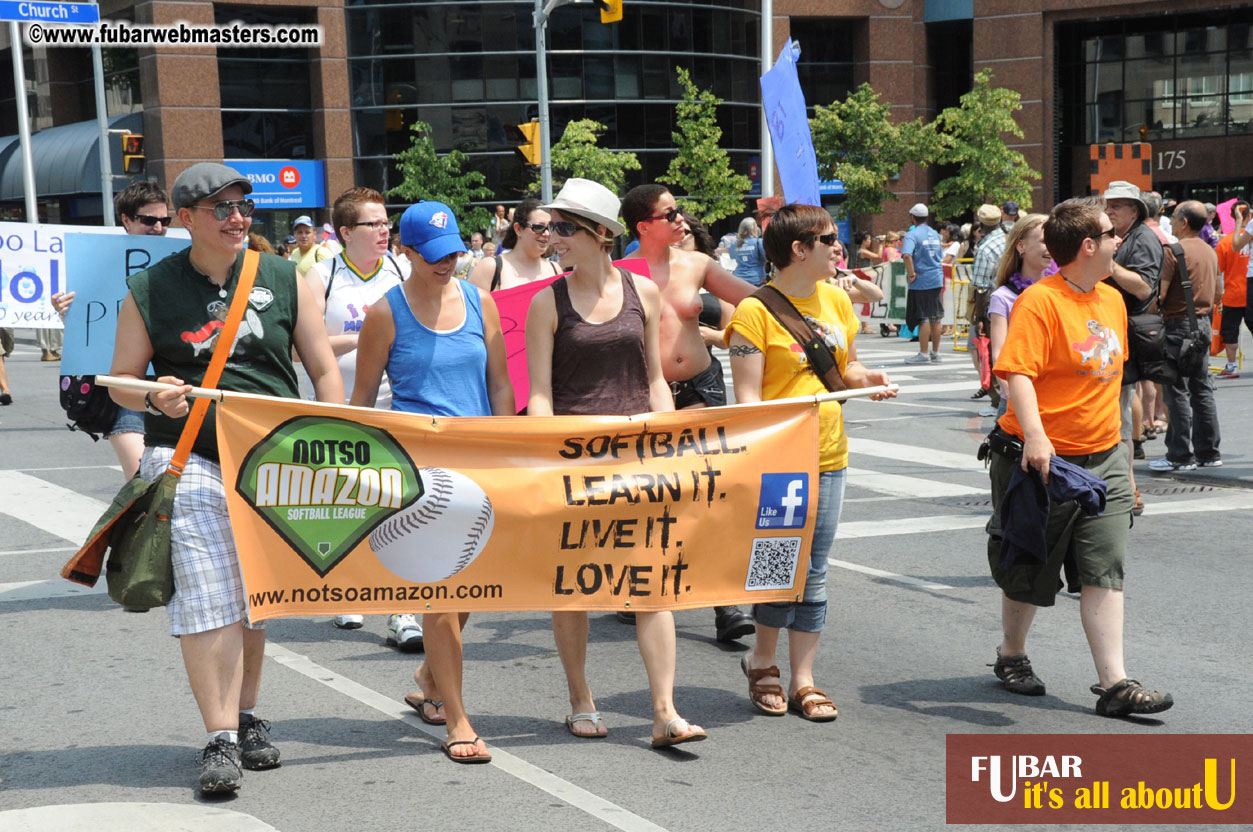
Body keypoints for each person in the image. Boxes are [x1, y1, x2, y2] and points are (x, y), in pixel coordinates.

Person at [109, 163, 344, 793]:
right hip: (190, 457)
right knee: (204, 597)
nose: (237, 217)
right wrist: (159, 395)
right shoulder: (150, 288)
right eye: (221, 208)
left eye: (243, 206)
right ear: (185, 219)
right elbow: (125, 380)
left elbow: (321, 367)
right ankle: (219, 738)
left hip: (272, 462)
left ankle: (244, 716)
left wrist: (328, 436)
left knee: (251, 599)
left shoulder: (284, 276)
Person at [526, 178, 707, 747]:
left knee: (655, 585)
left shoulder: (642, 294)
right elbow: (540, 395)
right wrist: (545, 461)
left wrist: (668, 445)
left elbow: (654, 379)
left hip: (638, 458)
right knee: (574, 588)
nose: (552, 238)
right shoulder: (545, 302)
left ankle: (664, 712)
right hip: (574, 462)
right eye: (551, 227)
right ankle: (581, 699)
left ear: (601, 235)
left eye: (564, 228)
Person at [986, 196, 1172, 719]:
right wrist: (1038, 438)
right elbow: (1017, 371)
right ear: (1089, 246)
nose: (1120, 240)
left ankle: (1114, 683)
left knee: (1104, 567)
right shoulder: (1039, 302)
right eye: (1112, 234)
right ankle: (1012, 654)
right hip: (1042, 458)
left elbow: (1112, 386)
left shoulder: (1110, 299)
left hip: (1104, 457)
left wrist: (1126, 460)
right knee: (1029, 565)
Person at [351, 200, 513, 764]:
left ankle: (427, 676)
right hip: (421, 477)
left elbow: (500, 386)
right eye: (435, 256)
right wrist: (366, 474)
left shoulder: (480, 301)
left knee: (468, 590)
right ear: (408, 251)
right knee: (442, 595)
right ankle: (460, 720)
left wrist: (511, 449)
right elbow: (364, 403)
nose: (448, 264)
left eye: (455, 254)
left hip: (480, 465)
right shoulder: (384, 314)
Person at [725, 203, 895, 722]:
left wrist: (867, 380)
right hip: (780, 462)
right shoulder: (753, 313)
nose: (838, 247)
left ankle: (804, 679)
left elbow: (846, 366)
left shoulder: (838, 302)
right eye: (828, 240)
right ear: (799, 250)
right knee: (779, 564)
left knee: (815, 570)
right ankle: (764, 664)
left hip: (830, 454)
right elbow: (748, 402)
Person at [622, 183, 757, 643]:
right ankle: (641, 581)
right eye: (670, 213)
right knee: (652, 495)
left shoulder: (697, 264)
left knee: (709, 491)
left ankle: (726, 602)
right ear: (644, 226)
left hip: (703, 385)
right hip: (644, 394)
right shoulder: (619, 274)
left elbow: (754, 299)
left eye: (679, 211)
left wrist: (804, 304)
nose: (682, 220)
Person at [303, 187, 415, 640]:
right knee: (348, 504)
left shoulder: (402, 270)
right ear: (347, 232)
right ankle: (348, 590)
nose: (385, 231)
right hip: (341, 407)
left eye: (388, 223)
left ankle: (400, 608)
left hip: (396, 404)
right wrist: (365, 337)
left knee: (397, 505)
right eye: (375, 224)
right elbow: (304, 345)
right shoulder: (321, 277)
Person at [51, 180, 173, 479]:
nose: (158, 227)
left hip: (172, 384)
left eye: (164, 220)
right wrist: (71, 314)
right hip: (125, 392)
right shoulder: (100, 264)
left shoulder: (181, 261)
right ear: (127, 220)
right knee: (143, 482)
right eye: (148, 220)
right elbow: (95, 328)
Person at [1102, 181, 1162, 513]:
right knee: (1116, 414)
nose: (1109, 211)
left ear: (1134, 210)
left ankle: (1129, 491)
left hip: (1126, 336)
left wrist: (1107, 264)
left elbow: (1143, 287)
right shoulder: (1123, 236)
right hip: (1113, 336)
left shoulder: (1143, 239)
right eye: (1107, 205)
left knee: (1120, 417)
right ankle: (1126, 489)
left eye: (1116, 206)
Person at [1147, 201, 1221, 472]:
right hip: (1202, 324)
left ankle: (1179, 455)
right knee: (1202, 389)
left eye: (1176, 218)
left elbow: (1160, 295)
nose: (1174, 222)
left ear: (1185, 222)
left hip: (1177, 326)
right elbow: (1217, 295)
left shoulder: (1174, 251)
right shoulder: (1211, 252)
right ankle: (1209, 452)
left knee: (1175, 390)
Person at [987, 214, 1049, 417]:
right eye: (1043, 241)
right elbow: (999, 352)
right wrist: (1009, 390)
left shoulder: (1059, 291)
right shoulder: (1003, 297)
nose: (1050, 247)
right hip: (1018, 397)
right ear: (1021, 246)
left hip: (1053, 396)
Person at [469, 198, 561, 293]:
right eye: (538, 227)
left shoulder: (555, 270)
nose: (547, 233)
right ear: (518, 229)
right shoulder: (491, 267)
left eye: (550, 228)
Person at [968, 204, 1011, 400]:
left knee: (994, 352)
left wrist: (980, 317)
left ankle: (998, 401)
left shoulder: (985, 248)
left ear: (982, 224)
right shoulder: (1010, 236)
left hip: (996, 304)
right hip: (1016, 298)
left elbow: (981, 287)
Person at [901, 203, 945, 364]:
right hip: (937, 277)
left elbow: (906, 255)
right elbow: (941, 256)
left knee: (923, 317)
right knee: (936, 316)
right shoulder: (934, 233)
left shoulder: (912, 234)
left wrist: (911, 274)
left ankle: (924, 353)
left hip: (921, 280)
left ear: (913, 217)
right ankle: (936, 352)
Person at [1216, 201, 1251, 379]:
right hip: (1249, 293)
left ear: (1233, 216)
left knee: (1230, 332)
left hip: (1233, 295)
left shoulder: (1225, 242)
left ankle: (1231, 367)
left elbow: (1218, 272)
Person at [727, 216, 768, 286]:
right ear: (753, 229)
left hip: (738, 280)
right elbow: (768, 258)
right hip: (756, 280)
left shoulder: (735, 243)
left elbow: (732, 257)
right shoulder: (759, 242)